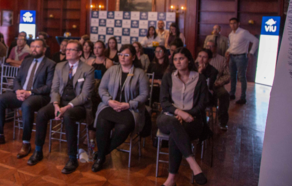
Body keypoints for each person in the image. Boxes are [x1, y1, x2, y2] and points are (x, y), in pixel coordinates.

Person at [27, 41, 95, 174]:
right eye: (67, 49)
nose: (67, 51)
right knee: (41, 113)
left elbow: (85, 96)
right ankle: (38, 151)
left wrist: (67, 107)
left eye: (71, 49)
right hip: (60, 102)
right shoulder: (59, 66)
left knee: (69, 116)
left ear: (79, 53)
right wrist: (56, 104)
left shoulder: (88, 69)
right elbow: (55, 89)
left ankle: (72, 158)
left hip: (78, 105)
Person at [0, 39, 56, 158]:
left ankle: (26, 142)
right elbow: (17, 79)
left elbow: (49, 86)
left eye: (37, 47)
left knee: (26, 105)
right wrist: (18, 91)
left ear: (44, 49)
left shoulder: (50, 64)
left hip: (38, 96)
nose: (34, 49)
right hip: (21, 92)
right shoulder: (26, 61)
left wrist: (29, 92)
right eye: (32, 46)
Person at [91, 45, 149, 172]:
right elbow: (102, 88)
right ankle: (101, 157)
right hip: (109, 105)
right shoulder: (112, 70)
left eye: (126, 55)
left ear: (133, 57)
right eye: (121, 54)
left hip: (130, 109)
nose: (122, 57)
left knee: (123, 127)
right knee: (102, 121)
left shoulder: (140, 73)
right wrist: (109, 101)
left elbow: (144, 95)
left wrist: (129, 104)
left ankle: (101, 154)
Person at [157, 47, 208, 186]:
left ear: (189, 60)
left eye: (181, 58)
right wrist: (180, 113)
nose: (178, 62)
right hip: (168, 116)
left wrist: (187, 114)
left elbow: (202, 104)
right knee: (174, 123)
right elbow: (164, 102)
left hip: (192, 120)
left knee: (176, 134)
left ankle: (171, 179)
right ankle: (193, 164)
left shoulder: (199, 78)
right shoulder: (168, 77)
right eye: (175, 59)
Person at [226, 17, 259, 105]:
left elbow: (255, 40)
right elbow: (232, 45)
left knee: (241, 77)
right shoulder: (231, 34)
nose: (232, 25)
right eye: (231, 23)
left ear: (238, 23)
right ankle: (232, 94)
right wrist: (228, 51)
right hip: (232, 57)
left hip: (241, 57)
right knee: (232, 76)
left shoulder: (243, 32)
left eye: (234, 23)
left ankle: (243, 97)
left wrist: (251, 52)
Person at [86, 41, 114, 143]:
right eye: (95, 48)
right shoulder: (90, 62)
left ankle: (95, 135)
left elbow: (111, 81)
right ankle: (91, 134)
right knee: (89, 104)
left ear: (104, 49)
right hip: (92, 91)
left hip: (103, 92)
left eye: (99, 48)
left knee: (95, 104)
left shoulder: (109, 62)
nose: (96, 50)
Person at [204, 41, 231, 130]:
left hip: (216, 84)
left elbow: (227, 75)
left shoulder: (221, 59)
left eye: (212, 46)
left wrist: (220, 82)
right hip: (203, 84)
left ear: (215, 47)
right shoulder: (201, 57)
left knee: (224, 95)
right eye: (208, 46)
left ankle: (222, 121)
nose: (209, 48)